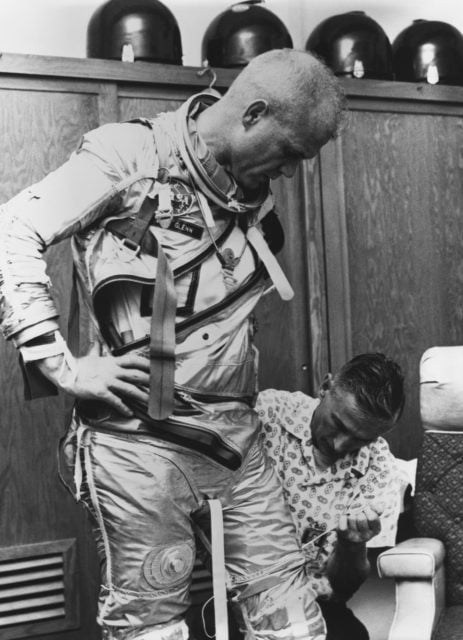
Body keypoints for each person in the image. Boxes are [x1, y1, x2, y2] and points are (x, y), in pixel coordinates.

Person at [0, 49, 346, 640]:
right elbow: (14, 229)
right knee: (153, 627)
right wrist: (58, 363)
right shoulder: (128, 156)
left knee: (293, 621)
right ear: (253, 114)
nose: (289, 173)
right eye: (289, 153)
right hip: (138, 446)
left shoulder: (248, 191)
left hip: (237, 441)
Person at [257, 353, 406, 640]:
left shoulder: (378, 466)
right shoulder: (265, 414)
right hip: (239, 594)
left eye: (361, 439)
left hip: (316, 607)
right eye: (338, 424)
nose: (341, 444)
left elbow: (342, 588)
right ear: (325, 387)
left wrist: (353, 545)